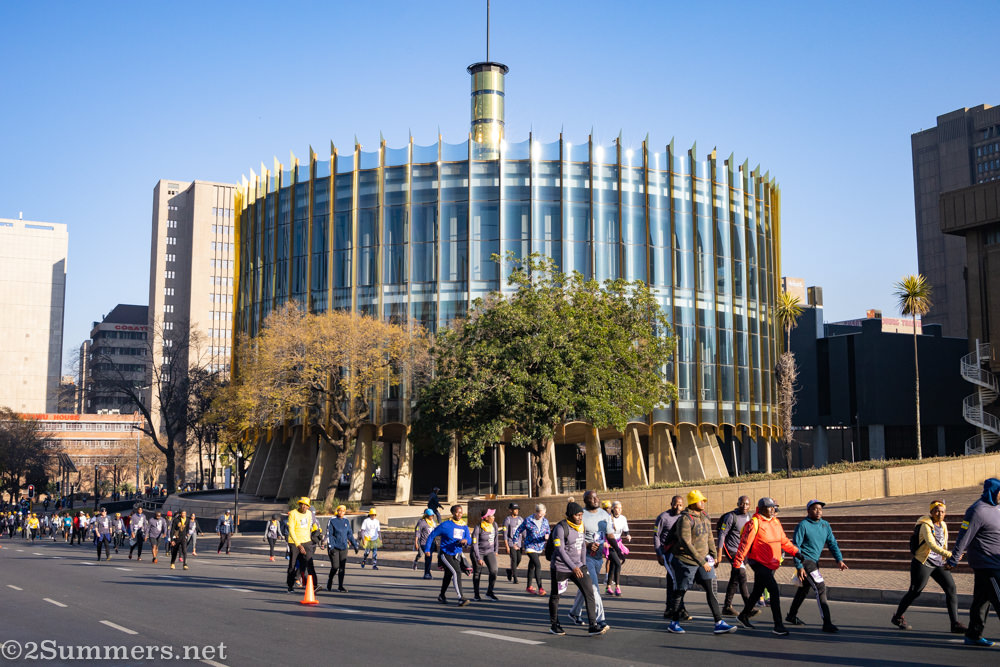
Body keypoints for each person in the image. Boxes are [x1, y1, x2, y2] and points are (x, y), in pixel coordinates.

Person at [666, 490, 737, 635]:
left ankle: (719, 622)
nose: (703, 503)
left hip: (703, 561)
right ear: (693, 503)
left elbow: (709, 536)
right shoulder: (685, 519)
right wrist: (701, 561)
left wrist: (714, 554)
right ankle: (674, 623)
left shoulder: (705, 516)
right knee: (681, 590)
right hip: (686, 560)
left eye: (703, 500)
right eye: (700, 501)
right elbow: (685, 542)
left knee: (711, 588)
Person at [892, 499, 965, 634]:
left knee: (951, 589)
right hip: (923, 562)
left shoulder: (943, 525)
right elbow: (932, 545)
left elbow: (943, 544)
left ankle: (955, 624)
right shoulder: (925, 525)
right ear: (931, 512)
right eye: (936, 511)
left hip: (938, 563)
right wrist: (951, 555)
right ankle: (897, 617)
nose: (940, 514)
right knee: (915, 591)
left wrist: (946, 559)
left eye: (942, 512)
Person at [733, 497, 799, 636]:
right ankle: (778, 625)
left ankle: (743, 616)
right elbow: (745, 544)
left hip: (771, 562)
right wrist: (737, 563)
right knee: (774, 590)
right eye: (770, 507)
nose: (773, 509)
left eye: (773, 507)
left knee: (758, 591)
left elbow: (783, 541)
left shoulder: (775, 522)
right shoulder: (755, 523)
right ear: (762, 508)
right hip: (758, 562)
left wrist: (796, 552)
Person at [947, 478, 1000, 647]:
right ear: (993, 491)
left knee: (981, 601)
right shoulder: (977, 510)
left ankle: (973, 635)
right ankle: (973, 635)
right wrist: (954, 559)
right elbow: (964, 536)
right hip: (988, 564)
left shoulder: (997, 508)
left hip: (996, 562)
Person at [786, 499, 847, 633]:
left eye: (820, 509)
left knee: (804, 589)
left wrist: (839, 559)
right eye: (814, 509)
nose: (818, 511)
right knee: (820, 587)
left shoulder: (825, 525)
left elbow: (832, 543)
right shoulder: (803, 525)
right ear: (808, 511)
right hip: (806, 561)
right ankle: (827, 623)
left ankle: (791, 615)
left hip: (814, 562)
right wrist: (799, 566)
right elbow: (795, 547)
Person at [548, 502, 607, 637]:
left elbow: (583, 546)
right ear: (570, 515)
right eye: (577, 515)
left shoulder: (581, 526)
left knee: (589, 592)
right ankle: (554, 625)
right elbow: (560, 550)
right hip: (561, 567)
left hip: (578, 566)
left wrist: (583, 564)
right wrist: (573, 567)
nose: (580, 517)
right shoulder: (560, 528)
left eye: (581, 515)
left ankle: (593, 625)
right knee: (556, 596)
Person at [568, 491, 610, 631]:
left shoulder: (604, 514)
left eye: (596, 496)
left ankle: (574, 613)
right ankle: (600, 619)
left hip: (598, 557)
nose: (596, 499)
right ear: (586, 500)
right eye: (592, 498)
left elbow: (609, 534)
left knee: (586, 587)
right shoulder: (581, 515)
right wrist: (588, 545)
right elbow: (576, 537)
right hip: (586, 558)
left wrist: (618, 551)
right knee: (594, 588)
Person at [423, 504, 472, 606]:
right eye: (457, 512)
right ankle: (461, 598)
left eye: (461, 512)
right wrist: (427, 549)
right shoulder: (445, 525)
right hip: (445, 553)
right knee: (457, 572)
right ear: (453, 513)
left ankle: (442, 595)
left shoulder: (464, 526)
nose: (459, 514)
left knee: (448, 575)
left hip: (457, 554)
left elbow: (469, 539)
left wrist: (466, 541)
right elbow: (432, 535)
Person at [717, 496, 758, 617]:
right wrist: (719, 554)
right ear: (738, 504)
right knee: (742, 574)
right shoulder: (731, 517)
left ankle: (727, 607)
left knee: (735, 578)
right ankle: (749, 606)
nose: (744, 506)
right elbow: (722, 534)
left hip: (743, 552)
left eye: (747, 504)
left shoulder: (749, 516)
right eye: (742, 504)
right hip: (732, 550)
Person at [654, 495, 689, 621]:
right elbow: (656, 536)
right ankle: (680, 609)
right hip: (667, 553)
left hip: (678, 554)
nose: (678, 507)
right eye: (675, 504)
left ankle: (669, 608)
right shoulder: (663, 517)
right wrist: (659, 553)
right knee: (675, 580)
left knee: (672, 580)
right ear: (671, 504)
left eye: (680, 504)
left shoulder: (683, 516)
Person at [514, 504, 551, 595]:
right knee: (538, 565)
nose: (541, 516)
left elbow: (548, 531)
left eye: (543, 514)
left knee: (532, 565)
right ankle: (540, 588)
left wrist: (547, 536)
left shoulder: (545, 521)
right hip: (530, 546)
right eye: (539, 514)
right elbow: (519, 530)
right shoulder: (528, 520)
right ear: (536, 512)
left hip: (539, 546)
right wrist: (515, 542)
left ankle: (529, 586)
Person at [286, 497, 319, 593]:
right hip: (294, 542)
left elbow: (310, 526)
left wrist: (316, 532)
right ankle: (290, 585)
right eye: (302, 504)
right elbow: (291, 530)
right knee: (292, 565)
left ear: (308, 507)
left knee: (309, 563)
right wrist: (298, 545)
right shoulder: (293, 513)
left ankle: (315, 585)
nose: (304, 506)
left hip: (306, 541)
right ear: (299, 504)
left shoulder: (309, 514)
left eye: (306, 505)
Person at [326, 505, 359, 592]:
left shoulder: (346, 521)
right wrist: (331, 547)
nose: (341, 512)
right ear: (337, 511)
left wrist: (355, 545)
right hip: (334, 547)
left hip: (344, 547)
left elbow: (349, 534)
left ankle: (340, 586)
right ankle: (330, 579)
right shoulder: (332, 520)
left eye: (343, 511)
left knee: (342, 567)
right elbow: (329, 534)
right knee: (335, 566)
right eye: (340, 511)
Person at [471, 508, 499, 601]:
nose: (494, 517)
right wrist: (478, 558)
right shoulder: (478, 528)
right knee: (477, 573)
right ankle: (476, 594)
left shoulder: (494, 525)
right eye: (492, 516)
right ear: (486, 518)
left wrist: (496, 550)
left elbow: (496, 539)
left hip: (489, 551)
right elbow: (474, 544)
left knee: (494, 571)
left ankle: (489, 592)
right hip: (478, 552)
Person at [606, 501, 631, 597]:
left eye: (620, 508)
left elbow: (626, 530)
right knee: (618, 563)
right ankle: (617, 587)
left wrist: (628, 535)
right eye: (617, 508)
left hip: (618, 543)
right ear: (613, 508)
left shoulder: (623, 518)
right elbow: (605, 532)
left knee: (613, 565)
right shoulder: (608, 518)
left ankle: (608, 586)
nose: (619, 510)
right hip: (610, 544)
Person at [503, 503, 524, 585]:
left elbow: (524, 531)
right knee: (514, 560)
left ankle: (510, 571)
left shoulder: (521, 519)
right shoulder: (507, 520)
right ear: (510, 510)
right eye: (515, 509)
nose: (516, 511)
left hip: (519, 543)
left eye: (517, 509)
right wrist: (506, 546)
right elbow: (505, 534)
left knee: (519, 559)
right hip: (511, 543)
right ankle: (515, 578)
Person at [413, 509, 436, 579]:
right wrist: (416, 542)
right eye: (430, 516)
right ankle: (427, 573)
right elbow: (417, 532)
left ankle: (427, 572)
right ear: (426, 515)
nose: (431, 517)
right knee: (428, 557)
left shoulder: (433, 523)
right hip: (424, 543)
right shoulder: (422, 522)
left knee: (429, 558)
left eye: (432, 515)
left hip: (432, 543)